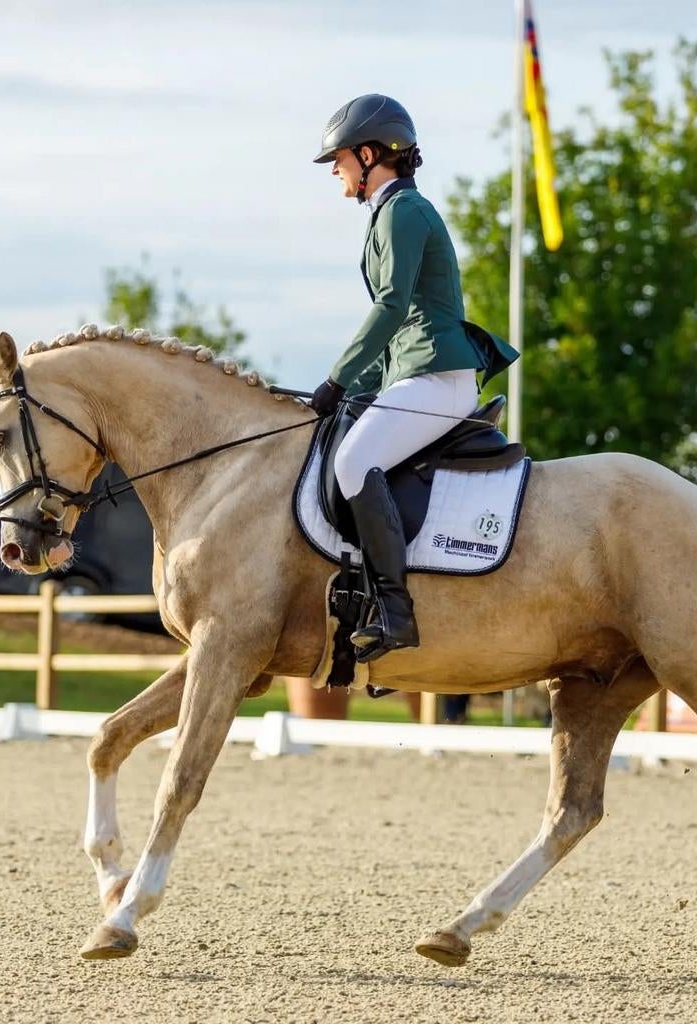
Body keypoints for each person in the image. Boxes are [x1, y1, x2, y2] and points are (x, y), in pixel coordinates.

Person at [309, 94, 519, 663]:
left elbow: (394, 307)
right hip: (415, 374)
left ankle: (396, 612)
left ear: (371, 154)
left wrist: (336, 378)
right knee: (344, 441)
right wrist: (350, 393)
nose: (335, 169)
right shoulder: (387, 213)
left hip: (438, 377)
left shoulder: (403, 212)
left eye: (341, 158)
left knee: (353, 463)